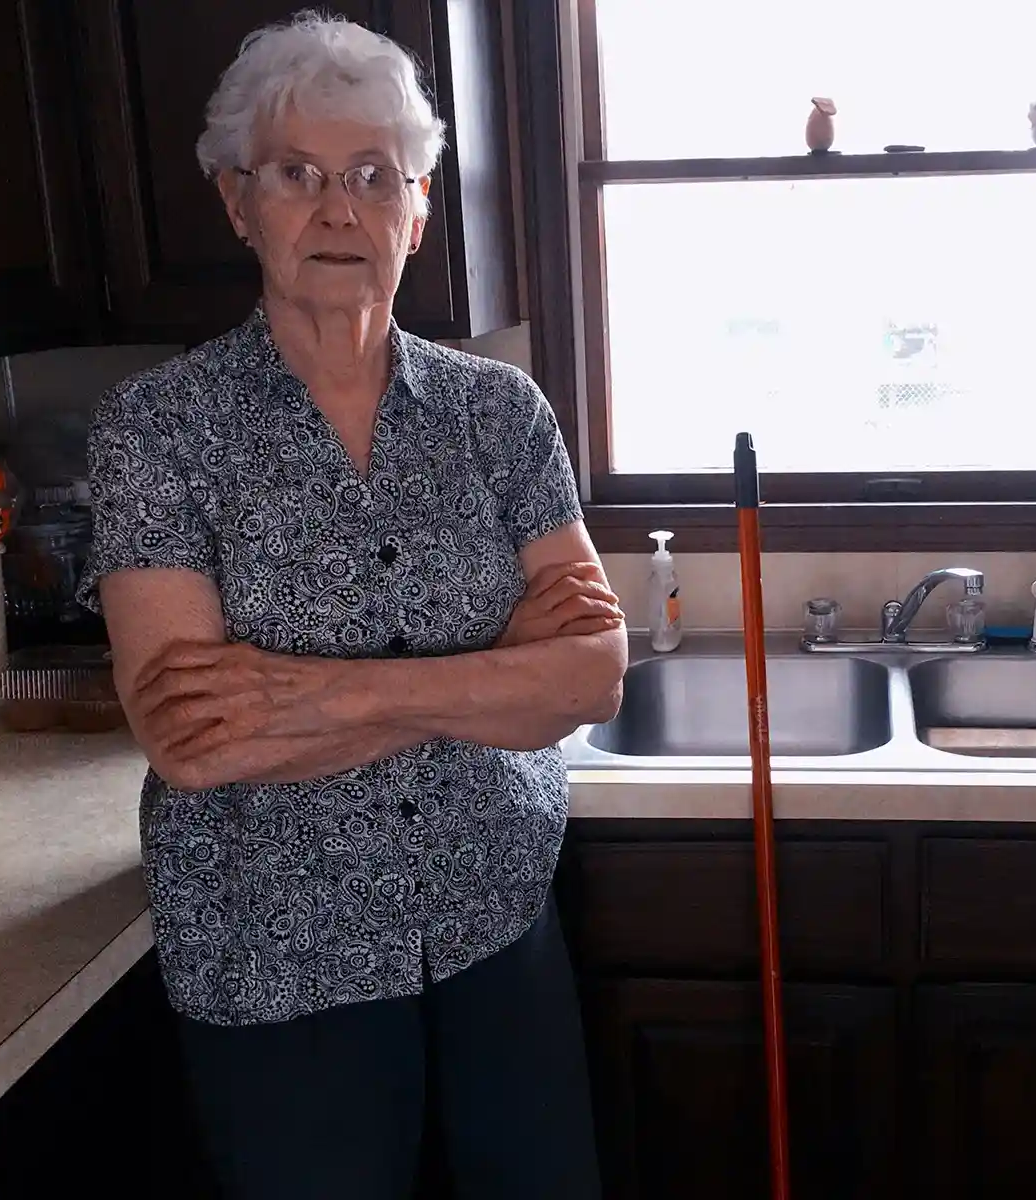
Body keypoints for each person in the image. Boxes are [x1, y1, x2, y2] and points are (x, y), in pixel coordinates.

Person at [76, 13, 625, 1199]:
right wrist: (487, 683)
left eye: (375, 176)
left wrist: (309, 693)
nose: (338, 209)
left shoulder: (500, 412)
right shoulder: (156, 431)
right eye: (296, 174)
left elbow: (590, 674)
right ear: (238, 202)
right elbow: (199, 741)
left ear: (417, 211)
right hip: (279, 962)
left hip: (498, 926)